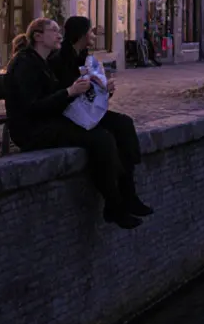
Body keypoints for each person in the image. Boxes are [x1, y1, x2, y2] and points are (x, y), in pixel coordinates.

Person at [4, 17, 148, 230]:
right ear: (38, 36)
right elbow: (32, 107)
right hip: (32, 129)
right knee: (101, 139)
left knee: (118, 127)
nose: (59, 34)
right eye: (53, 30)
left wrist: (96, 90)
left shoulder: (42, 61)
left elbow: (57, 98)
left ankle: (125, 195)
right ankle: (114, 205)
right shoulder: (26, 63)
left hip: (51, 120)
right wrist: (70, 92)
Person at [49, 15, 152, 217]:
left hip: (87, 110)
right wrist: (80, 88)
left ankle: (129, 192)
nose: (94, 35)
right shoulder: (59, 60)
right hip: (71, 114)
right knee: (105, 139)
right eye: (90, 31)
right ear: (80, 34)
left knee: (123, 123)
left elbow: (91, 91)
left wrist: (105, 89)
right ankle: (115, 203)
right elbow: (64, 92)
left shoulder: (86, 57)